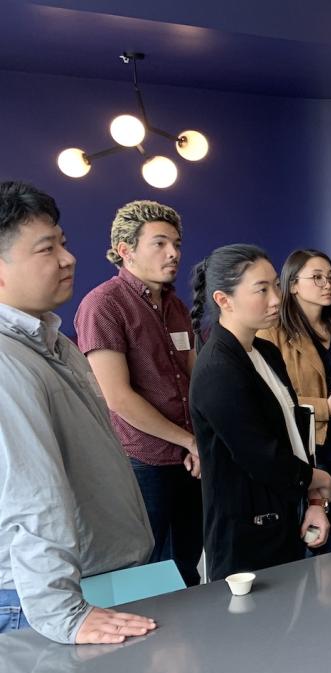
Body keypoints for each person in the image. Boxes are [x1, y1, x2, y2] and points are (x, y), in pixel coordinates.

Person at [0, 180, 155, 644]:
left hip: (98, 580)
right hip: (51, 603)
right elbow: (29, 495)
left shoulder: (52, 342)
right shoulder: (6, 361)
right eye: (46, 249)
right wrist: (64, 613)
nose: (68, 258)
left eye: (63, 243)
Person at [74, 200, 203, 587]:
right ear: (126, 249)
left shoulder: (177, 306)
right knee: (149, 574)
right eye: (160, 244)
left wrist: (199, 443)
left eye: (177, 244)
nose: (174, 253)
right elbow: (118, 397)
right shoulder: (103, 305)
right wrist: (190, 441)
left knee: (185, 564)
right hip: (142, 461)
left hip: (188, 457)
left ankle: (194, 645)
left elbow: (195, 380)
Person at [189, 244, 331, 581]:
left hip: (285, 511)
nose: (276, 299)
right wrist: (316, 479)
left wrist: (313, 498)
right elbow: (258, 453)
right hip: (246, 528)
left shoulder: (264, 351)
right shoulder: (217, 367)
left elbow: (292, 432)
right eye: (261, 289)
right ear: (224, 300)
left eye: (276, 285)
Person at [257, 250, 331, 553]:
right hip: (306, 448)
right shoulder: (272, 332)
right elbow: (270, 396)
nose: (327, 285)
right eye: (316, 278)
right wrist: (326, 406)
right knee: (309, 539)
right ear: (292, 285)